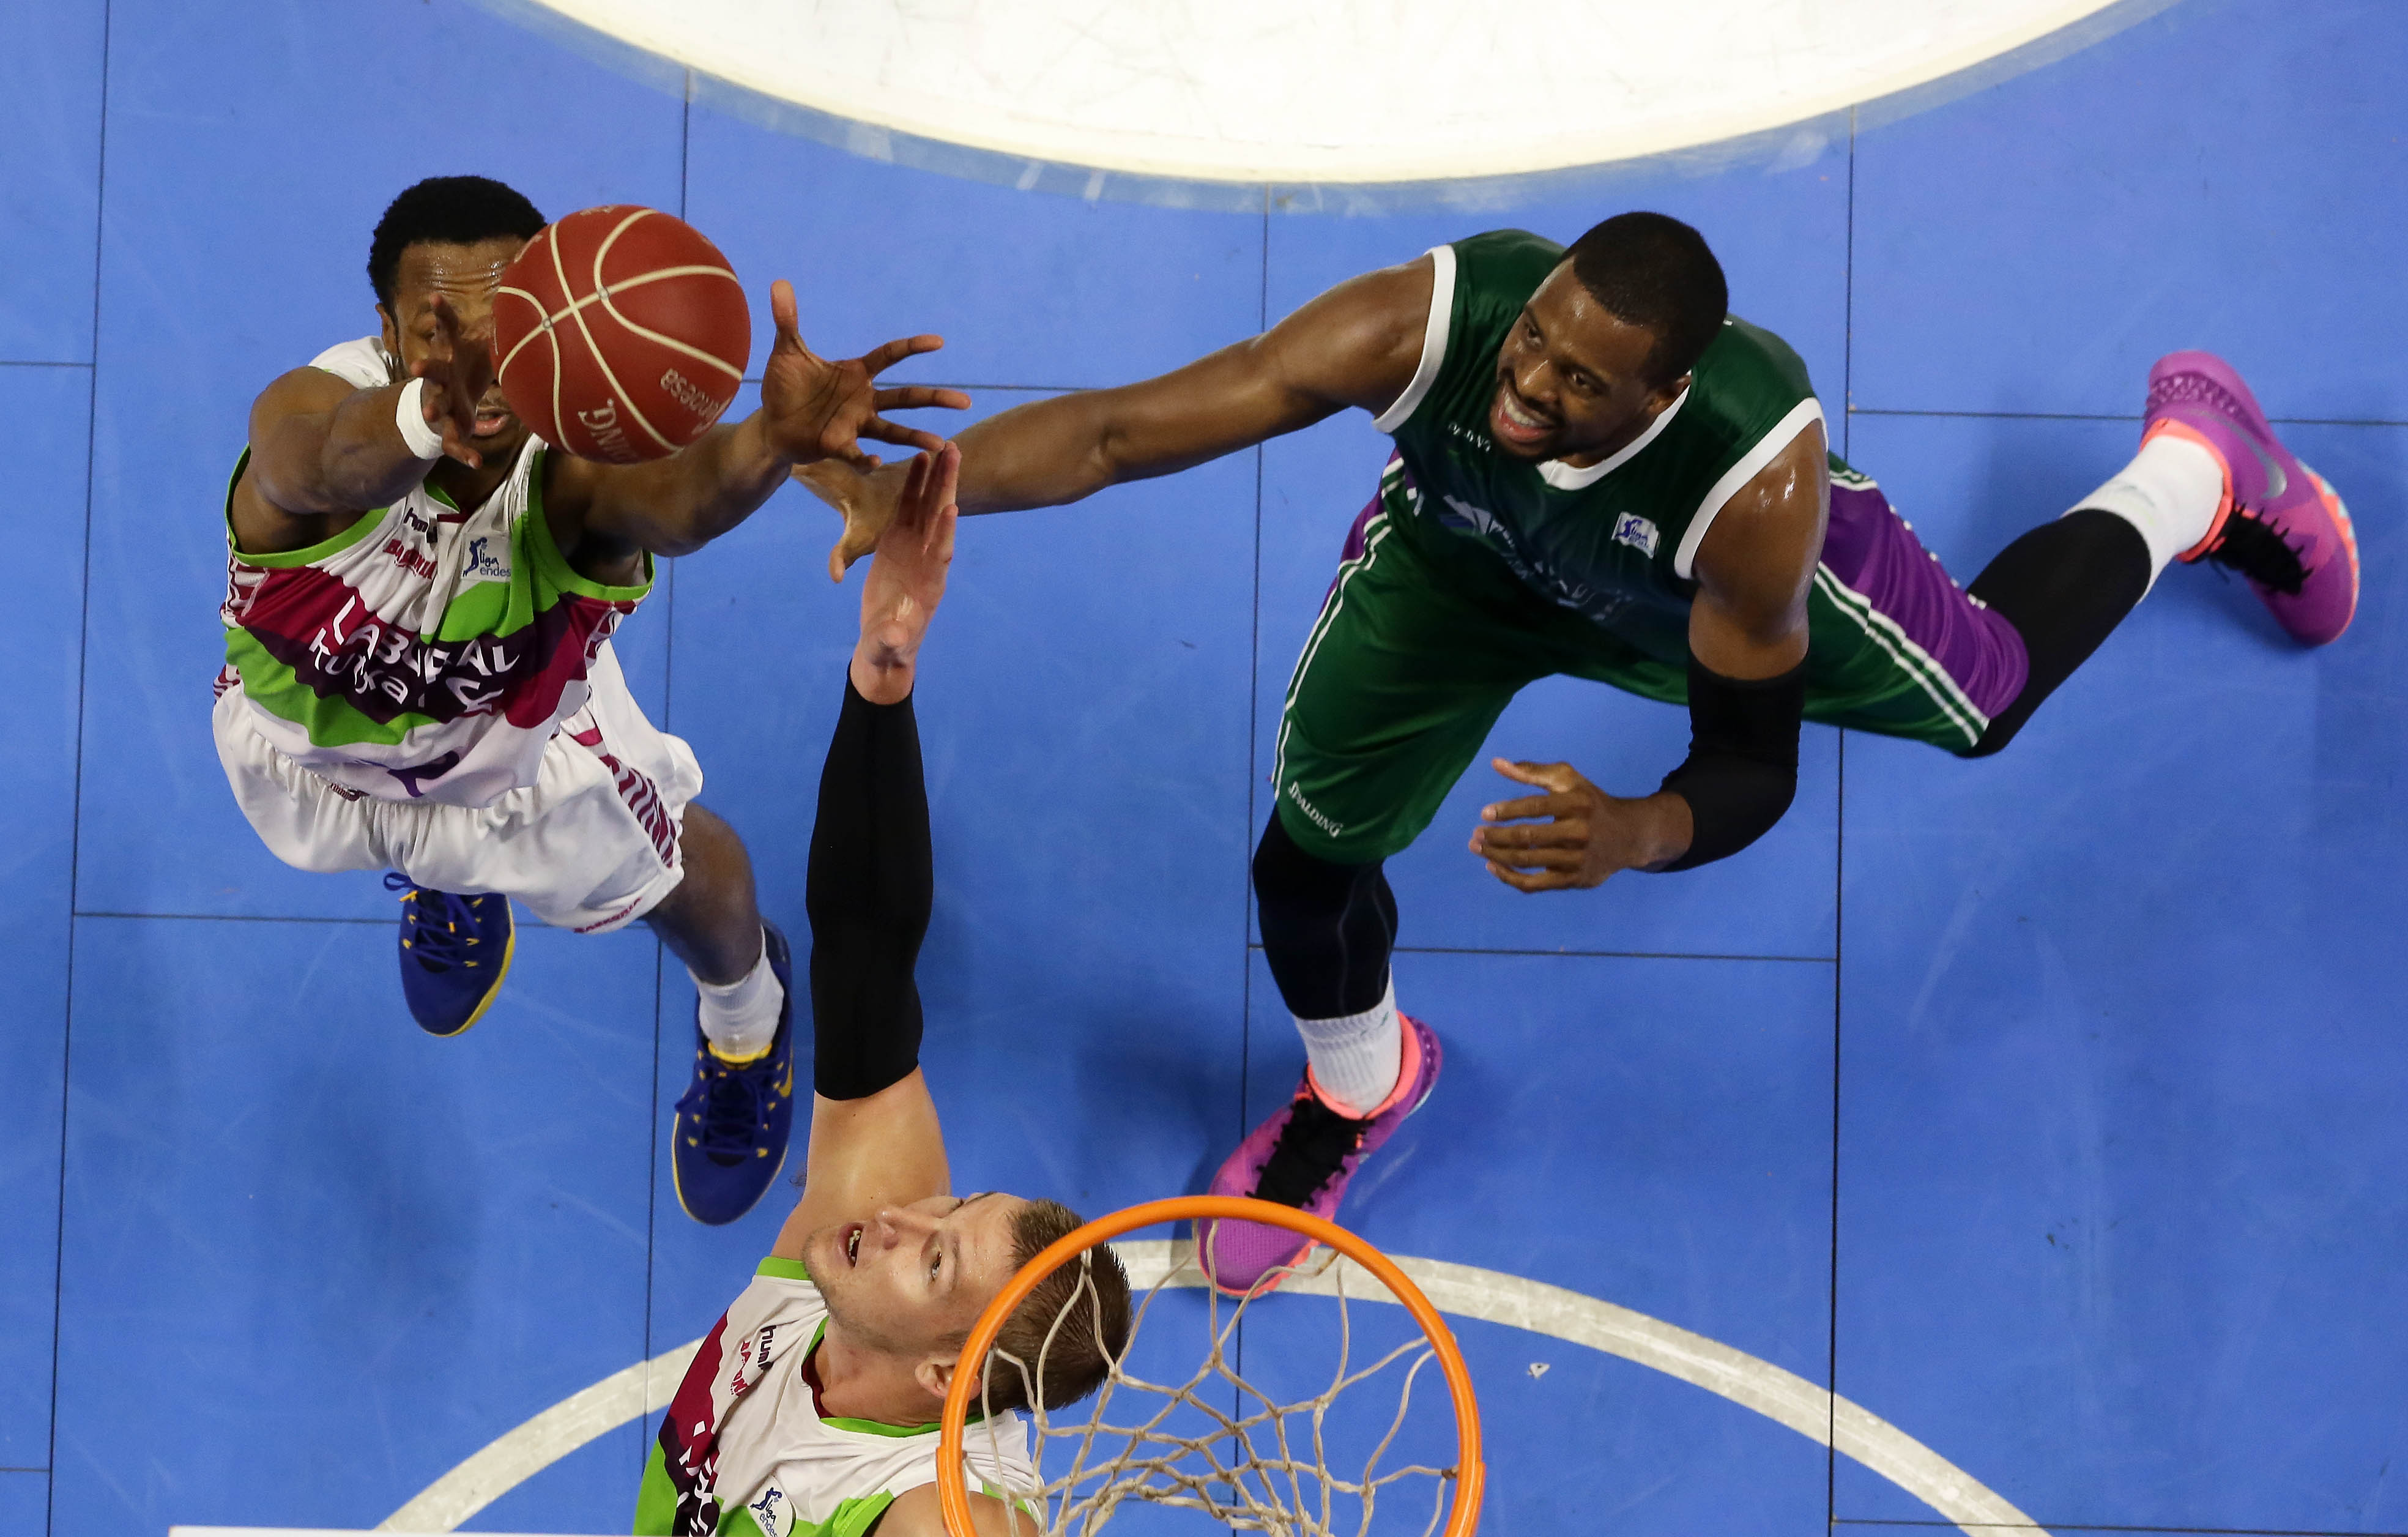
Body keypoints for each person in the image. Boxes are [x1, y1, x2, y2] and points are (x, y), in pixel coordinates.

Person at [796, 212, 2358, 1295]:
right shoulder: (1425, 327)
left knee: (1989, 697)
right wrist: (917, 493)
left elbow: (1749, 764)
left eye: (1575, 381)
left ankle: (2194, 472)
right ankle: (1363, 1082)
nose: (1527, 386)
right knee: (1309, 850)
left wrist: (1641, 829)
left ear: (1664, 390)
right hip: (1465, 567)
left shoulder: (1752, 495)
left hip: (1675, 603)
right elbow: (1124, 432)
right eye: (1533, 345)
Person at [212, 174, 966, 1226]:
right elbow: (322, 462)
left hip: (524, 742)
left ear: (549, 324)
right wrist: (429, 417)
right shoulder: (309, 412)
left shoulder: (568, 474)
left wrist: (764, 442)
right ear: (385, 333)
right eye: (441, 337)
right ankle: (449, 870)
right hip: (315, 753)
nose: (482, 370)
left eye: (508, 329)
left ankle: (749, 1017)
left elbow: (676, 501)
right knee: (419, 815)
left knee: (676, 874)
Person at [637, 445, 1134, 1537]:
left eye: (938, 1256)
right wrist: (882, 679)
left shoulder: (932, 1509)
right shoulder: (864, 1242)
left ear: (945, 1376)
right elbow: (865, 944)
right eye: (950, 1212)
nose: (902, 1217)